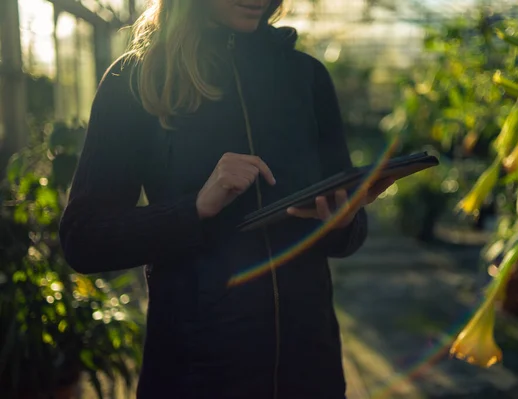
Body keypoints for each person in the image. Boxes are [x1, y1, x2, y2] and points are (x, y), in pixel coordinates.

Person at [59, 0, 394, 398]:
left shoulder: (306, 77)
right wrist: (194, 208)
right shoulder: (135, 79)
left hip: (309, 369)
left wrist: (342, 221)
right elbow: (83, 239)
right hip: (195, 374)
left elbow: (346, 233)